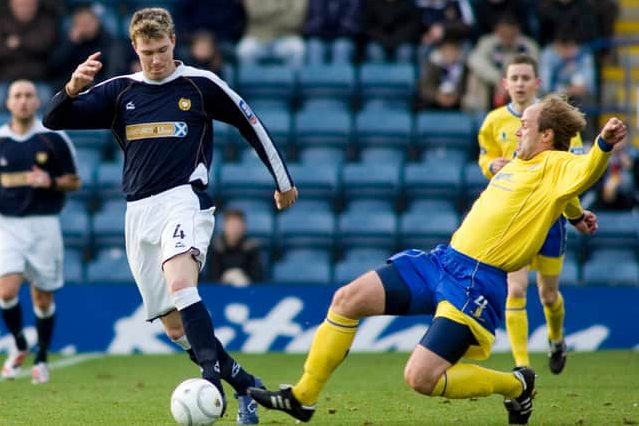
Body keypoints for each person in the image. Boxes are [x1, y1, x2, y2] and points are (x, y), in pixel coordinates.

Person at [248, 95, 627, 425]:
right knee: (347, 299)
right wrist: (575, 215)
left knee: (420, 378)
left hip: (476, 282)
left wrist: (603, 145)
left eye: (524, 125)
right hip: (442, 261)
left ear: (546, 136)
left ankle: (518, 384)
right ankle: (303, 397)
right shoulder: (520, 163)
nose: (516, 131)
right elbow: (561, 196)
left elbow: (583, 171)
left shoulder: (555, 164)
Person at [43, 8, 298, 424]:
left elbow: (250, 122)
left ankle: (210, 384)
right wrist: (72, 88)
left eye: (162, 50)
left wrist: (283, 180)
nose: (156, 60)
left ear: (173, 43)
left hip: (184, 199)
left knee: (182, 284)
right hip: (138, 212)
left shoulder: (200, 85)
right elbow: (52, 120)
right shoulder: (119, 91)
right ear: (134, 49)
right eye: (147, 53)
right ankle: (246, 386)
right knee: (175, 328)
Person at [477, 54, 597, 374]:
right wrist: (490, 166)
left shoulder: (556, 121)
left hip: (549, 217)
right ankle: (521, 365)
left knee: (548, 294)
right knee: (515, 289)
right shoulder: (493, 122)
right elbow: (485, 155)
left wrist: (573, 212)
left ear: (536, 82)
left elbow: (572, 168)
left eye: (524, 78)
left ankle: (556, 339)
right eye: (513, 78)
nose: (519, 84)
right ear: (505, 83)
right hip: (514, 215)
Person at [0, 79, 81, 384]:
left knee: (42, 298)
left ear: (37, 102)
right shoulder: (0, 140)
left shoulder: (53, 139)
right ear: (8, 103)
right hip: (6, 225)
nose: (22, 101)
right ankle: (20, 344)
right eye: (16, 95)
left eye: (28, 95)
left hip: (44, 224)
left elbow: (74, 181)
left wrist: (50, 182)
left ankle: (42, 356)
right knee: (5, 291)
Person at [205, 208, 264, 286]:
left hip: (246, 292)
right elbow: (211, 276)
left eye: (238, 225)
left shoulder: (251, 247)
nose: (235, 229)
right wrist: (226, 278)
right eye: (231, 225)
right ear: (224, 226)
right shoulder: (215, 247)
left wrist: (241, 277)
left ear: (244, 227)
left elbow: (257, 276)